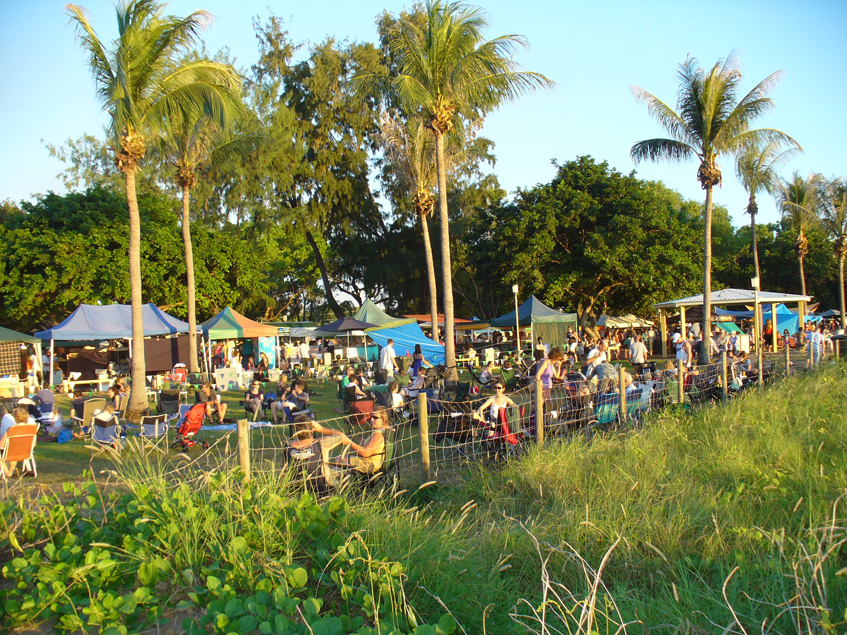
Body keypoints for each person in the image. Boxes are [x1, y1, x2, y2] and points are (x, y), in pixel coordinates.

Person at [282, 414, 348, 493]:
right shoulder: (321, 443)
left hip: (295, 488)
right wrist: (321, 429)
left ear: (295, 431)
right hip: (319, 487)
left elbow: (284, 470)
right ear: (312, 429)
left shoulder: (287, 446)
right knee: (343, 473)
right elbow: (341, 435)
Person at [334, 406, 390, 475]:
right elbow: (376, 447)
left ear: (383, 419)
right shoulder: (388, 430)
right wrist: (365, 442)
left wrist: (349, 442)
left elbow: (366, 453)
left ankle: (338, 482)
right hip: (376, 461)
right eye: (371, 417)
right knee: (343, 458)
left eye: (375, 417)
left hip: (370, 465)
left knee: (338, 459)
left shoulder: (378, 434)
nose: (372, 420)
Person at [0, 407, 33, 477]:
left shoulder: (11, 429)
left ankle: (7, 473)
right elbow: (34, 443)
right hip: (26, 452)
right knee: (15, 451)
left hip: (12, 453)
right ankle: (10, 471)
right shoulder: (31, 428)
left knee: (8, 453)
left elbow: (1, 445)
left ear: (15, 418)